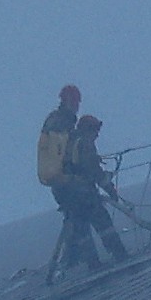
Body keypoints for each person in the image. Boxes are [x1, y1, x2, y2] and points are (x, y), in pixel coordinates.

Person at [54, 114, 128, 270]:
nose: (97, 135)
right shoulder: (85, 144)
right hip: (84, 195)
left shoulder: (67, 142)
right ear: (88, 130)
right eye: (96, 131)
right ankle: (119, 254)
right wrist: (110, 189)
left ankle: (92, 263)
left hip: (66, 197)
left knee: (82, 231)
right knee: (104, 223)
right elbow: (94, 171)